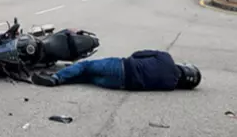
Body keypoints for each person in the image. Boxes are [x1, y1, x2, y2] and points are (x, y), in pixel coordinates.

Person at [31, 50, 201, 91]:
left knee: (85, 66)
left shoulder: (166, 58)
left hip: (121, 67)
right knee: (87, 78)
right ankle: (60, 78)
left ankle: (55, 78)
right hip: (120, 84)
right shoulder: (170, 85)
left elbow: (137, 54)